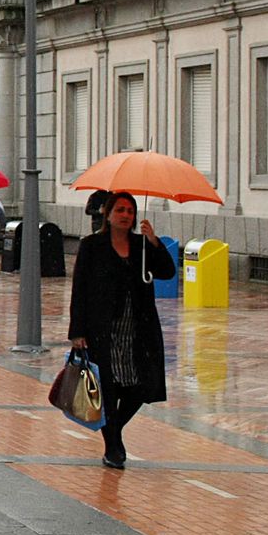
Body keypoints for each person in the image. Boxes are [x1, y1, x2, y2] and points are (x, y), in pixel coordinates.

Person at [66, 190, 176, 470]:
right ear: (108, 214)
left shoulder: (141, 246)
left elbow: (166, 272)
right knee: (109, 388)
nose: (126, 216)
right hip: (102, 328)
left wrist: (154, 243)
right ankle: (113, 447)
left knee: (139, 387)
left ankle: (113, 434)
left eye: (130, 211)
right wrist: (77, 331)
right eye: (120, 210)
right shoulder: (92, 246)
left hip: (138, 329)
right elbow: (80, 289)